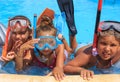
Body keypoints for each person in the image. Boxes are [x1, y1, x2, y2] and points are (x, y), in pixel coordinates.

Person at [18, 16, 66, 80]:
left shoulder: (59, 47)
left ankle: (63, 38)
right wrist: (20, 51)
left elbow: (59, 68)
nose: (46, 48)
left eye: (50, 42)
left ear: (55, 42)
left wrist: (57, 68)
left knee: (70, 51)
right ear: (36, 42)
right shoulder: (33, 49)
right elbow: (20, 69)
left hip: (65, 55)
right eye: (41, 43)